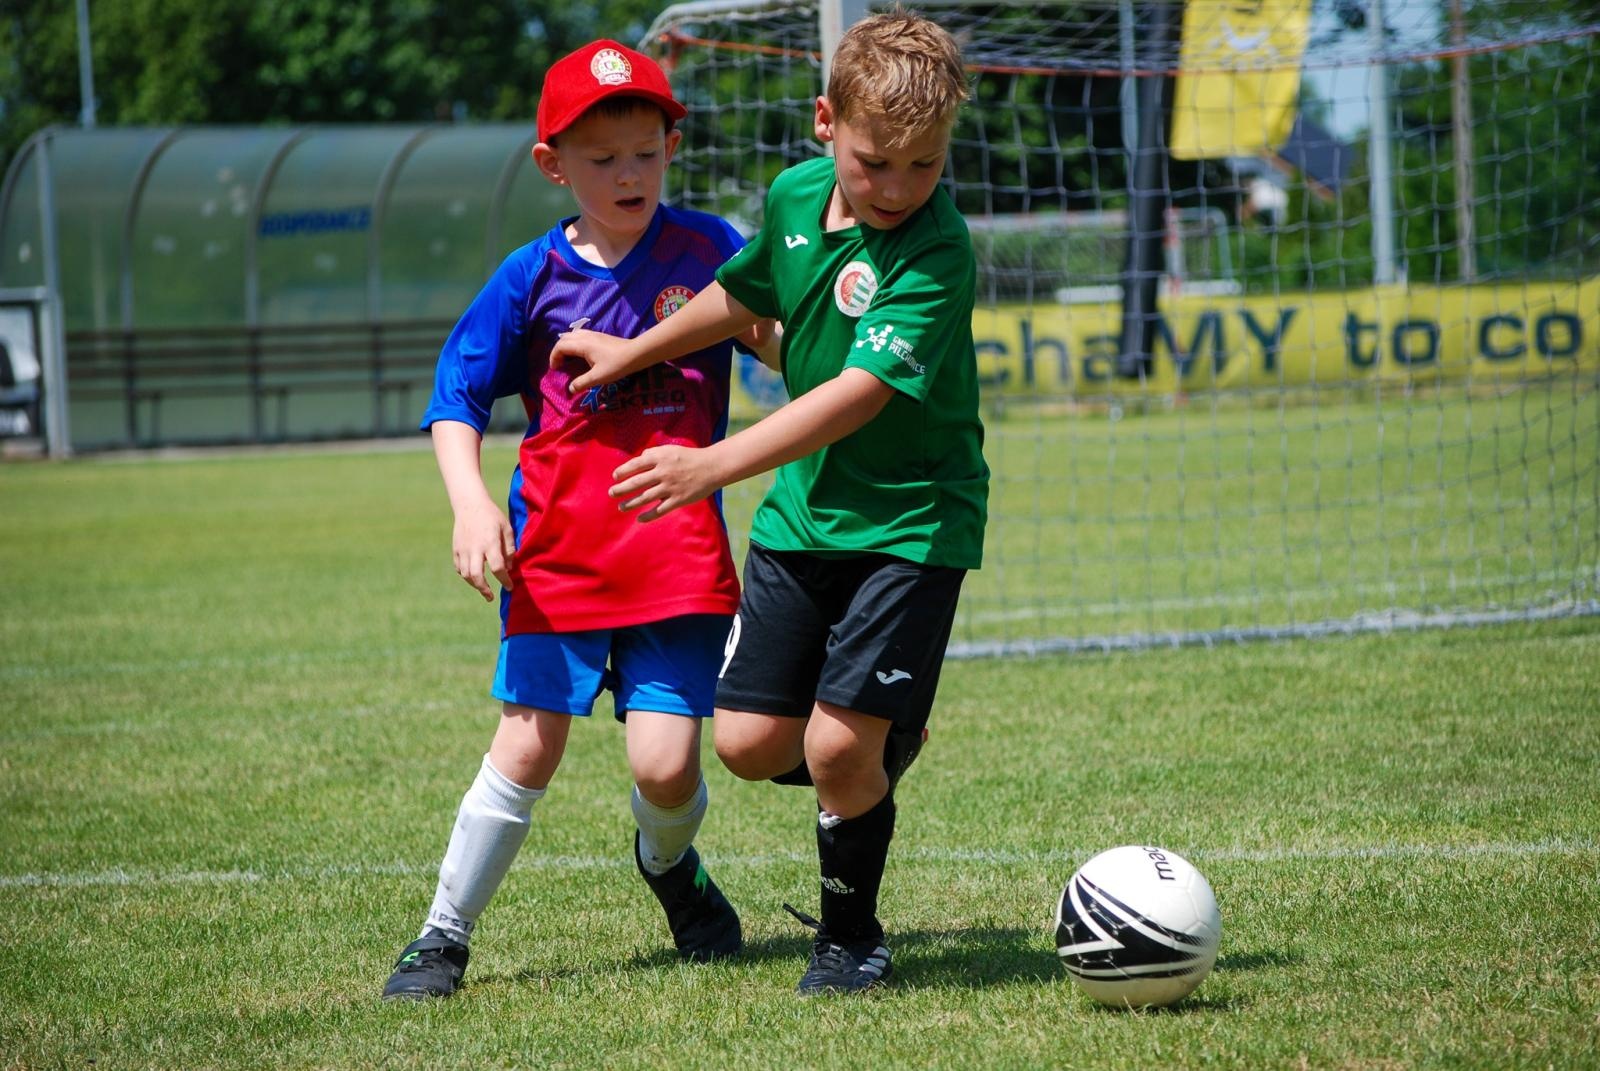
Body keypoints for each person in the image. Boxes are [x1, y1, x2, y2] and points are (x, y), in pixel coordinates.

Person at [552, 12, 987, 995]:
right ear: (825, 123)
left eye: (925, 166)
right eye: (876, 162)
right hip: (804, 517)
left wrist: (712, 465)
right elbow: (737, 297)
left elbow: (852, 399)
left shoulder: (938, 251)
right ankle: (882, 741)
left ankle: (852, 940)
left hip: (912, 521)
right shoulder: (793, 197)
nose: (898, 188)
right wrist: (628, 352)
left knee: (834, 748)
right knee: (748, 746)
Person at [383, 39, 777, 1001]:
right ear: (552, 164)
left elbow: (774, 337)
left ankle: (670, 866)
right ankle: (442, 937)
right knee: (528, 743)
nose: (629, 173)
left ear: (671, 145)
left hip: (679, 558)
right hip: (557, 562)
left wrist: (734, 329)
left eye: (647, 150)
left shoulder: (711, 249)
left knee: (668, 764)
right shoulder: (529, 275)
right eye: (603, 160)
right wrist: (472, 503)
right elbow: (454, 396)